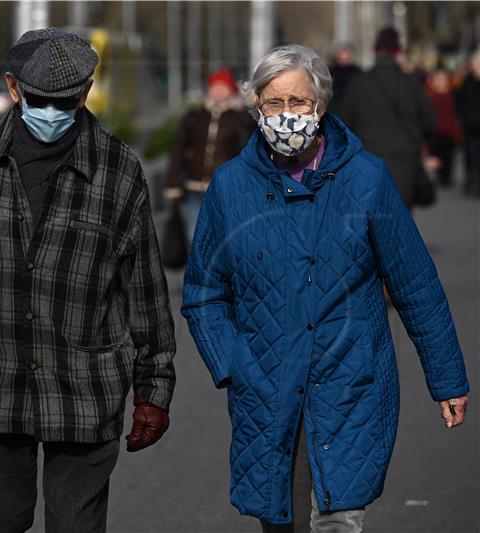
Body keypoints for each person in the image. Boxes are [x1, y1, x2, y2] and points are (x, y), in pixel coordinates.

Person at [182, 44, 470, 533]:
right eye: (274, 104)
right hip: (266, 388)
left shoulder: (366, 179)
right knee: (283, 519)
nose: (287, 115)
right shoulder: (231, 186)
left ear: (321, 106)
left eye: (299, 103)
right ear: (256, 108)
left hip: (348, 384)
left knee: (338, 518)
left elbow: (415, 285)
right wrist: (233, 363)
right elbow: (204, 292)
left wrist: (447, 380)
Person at [0, 28, 176, 533]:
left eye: (65, 100)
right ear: (14, 89)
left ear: (84, 91)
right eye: (39, 100)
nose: (52, 111)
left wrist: (153, 391)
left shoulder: (119, 171)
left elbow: (145, 293)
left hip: (86, 395)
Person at [338, 26, 438, 209]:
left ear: (375, 51)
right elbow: (430, 121)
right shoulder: (412, 83)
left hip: (367, 159)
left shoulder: (359, 83)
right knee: (401, 214)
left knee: (371, 214)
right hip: (405, 159)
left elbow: (342, 122)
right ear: (398, 52)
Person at [165, 66, 249, 242]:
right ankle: (198, 268)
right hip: (195, 187)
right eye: (215, 86)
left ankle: (216, 269)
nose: (218, 91)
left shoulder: (240, 119)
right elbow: (178, 149)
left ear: (231, 90)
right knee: (194, 235)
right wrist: (172, 181)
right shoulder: (194, 117)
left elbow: (245, 152)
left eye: (223, 87)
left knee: (222, 236)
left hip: (225, 189)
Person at [427, 67, 460, 187]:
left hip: (450, 130)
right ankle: (440, 176)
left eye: (443, 79)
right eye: (438, 79)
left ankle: (447, 176)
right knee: (437, 154)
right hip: (435, 130)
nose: (440, 81)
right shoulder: (431, 95)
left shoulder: (453, 95)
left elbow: (457, 113)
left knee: (449, 155)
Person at [456, 49, 480, 198]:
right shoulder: (467, 82)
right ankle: (472, 182)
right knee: (471, 156)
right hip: (470, 127)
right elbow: (459, 102)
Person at [327, 42, 361, 114]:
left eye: (347, 54)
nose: (344, 57)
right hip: (333, 109)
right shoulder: (330, 71)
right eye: (342, 54)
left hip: (352, 110)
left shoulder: (356, 72)